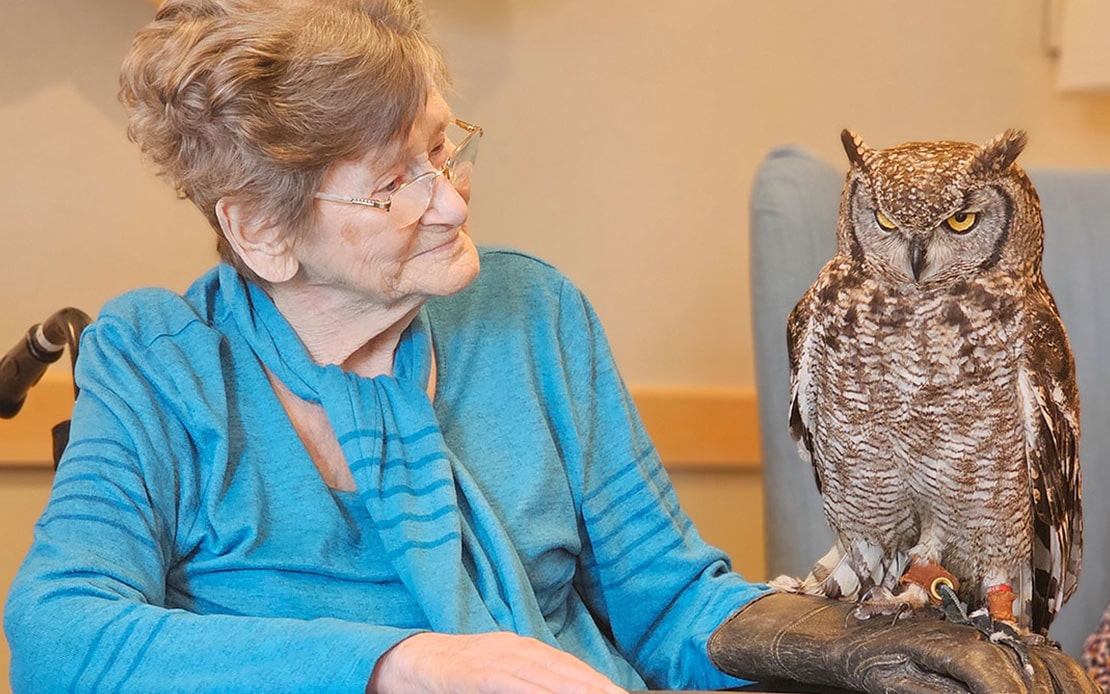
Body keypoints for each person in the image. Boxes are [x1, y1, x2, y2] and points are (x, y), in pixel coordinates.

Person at [2, 1, 1100, 692]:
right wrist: (419, 666)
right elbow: (59, 637)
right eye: (397, 182)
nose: (450, 199)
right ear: (260, 227)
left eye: (445, 145)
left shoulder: (534, 313)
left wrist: (838, 652)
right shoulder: (158, 356)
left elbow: (670, 604)